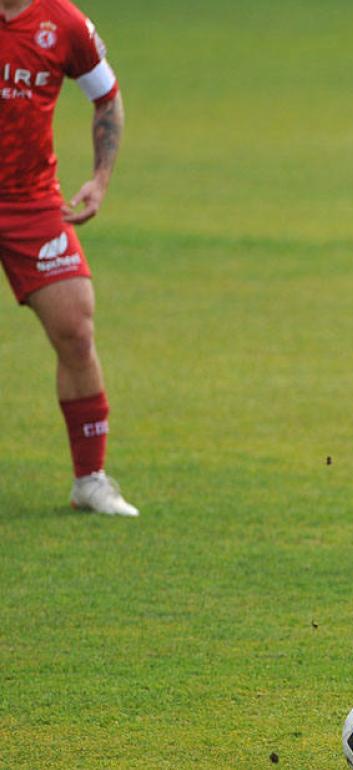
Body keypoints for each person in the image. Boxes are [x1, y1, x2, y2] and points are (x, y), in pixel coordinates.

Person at [1, 0, 136, 515]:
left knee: (75, 330)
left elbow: (107, 98)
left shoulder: (64, 23)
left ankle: (90, 480)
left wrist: (100, 179)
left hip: (32, 204)